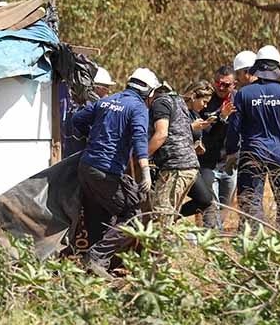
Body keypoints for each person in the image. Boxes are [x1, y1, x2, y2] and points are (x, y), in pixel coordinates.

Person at [70, 68, 159, 268]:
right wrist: (145, 171)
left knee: (98, 214)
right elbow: (139, 139)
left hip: (86, 166)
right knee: (134, 215)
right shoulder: (138, 107)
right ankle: (95, 256)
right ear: (148, 92)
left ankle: (96, 266)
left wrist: (90, 137)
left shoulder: (105, 101)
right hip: (106, 171)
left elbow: (78, 120)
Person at [225, 45, 280, 227]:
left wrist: (231, 152)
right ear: (277, 67)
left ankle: (255, 243)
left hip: (252, 155)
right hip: (279, 155)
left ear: (257, 66)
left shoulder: (244, 94)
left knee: (251, 201)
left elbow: (234, 127)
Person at [147, 81, 206, 222]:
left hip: (175, 168)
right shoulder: (179, 102)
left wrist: (141, 156)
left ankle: (162, 243)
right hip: (188, 166)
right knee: (169, 215)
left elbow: (161, 134)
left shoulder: (160, 102)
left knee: (161, 217)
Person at [187, 66, 237, 229]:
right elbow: (204, 131)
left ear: (234, 84)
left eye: (226, 84)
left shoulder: (239, 100)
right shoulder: (206, 101)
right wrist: (221, 117)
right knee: (210, 205)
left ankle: (215, 235)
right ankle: (210, 238)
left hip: (230, 163)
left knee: (225, 206)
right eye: (218, 83)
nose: (221, 87)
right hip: (207, 163)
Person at [62, 66, 116, 157]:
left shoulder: (74, 108)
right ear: (96, 88)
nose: (108, 93)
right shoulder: (88, 110)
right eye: (106, 88)